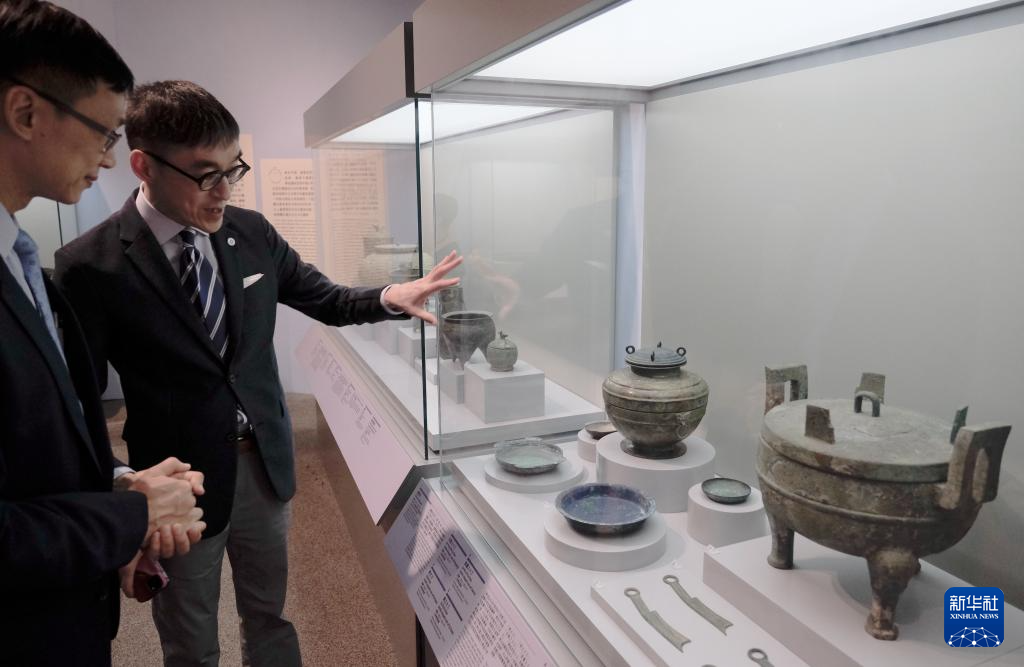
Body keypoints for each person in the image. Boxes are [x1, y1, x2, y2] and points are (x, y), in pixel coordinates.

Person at [54, 79, 461, 666]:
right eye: (205, 175)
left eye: (232, 170)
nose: (224, 191)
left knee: (270, 615)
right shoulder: (91, 265)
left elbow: (325, 298)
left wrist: (388, 296)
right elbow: (78, 402)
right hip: (179, 482)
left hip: (265, 466)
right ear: (144, 166)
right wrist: (121, 489)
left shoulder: (250, 233)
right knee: (191, 640)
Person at [0, 2, 206, 665]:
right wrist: (132, 516)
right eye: (104, 132)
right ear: (26, 113)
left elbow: (33, 440)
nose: (110, 158)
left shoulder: (21, 258)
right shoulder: (78, 260)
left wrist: (120, 485)